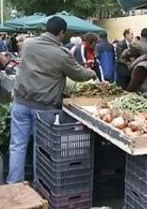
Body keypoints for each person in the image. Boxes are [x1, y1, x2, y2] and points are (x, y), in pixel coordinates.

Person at [7, 16, 96, 184]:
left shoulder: (28, 44)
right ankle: (38, 186)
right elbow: (79, 74)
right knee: (40, 149)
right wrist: (92, 73)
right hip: (44, 108)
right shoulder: (60, 53)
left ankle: (14, 184)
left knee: (17, 146)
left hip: (20, 103)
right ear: (61, 32)